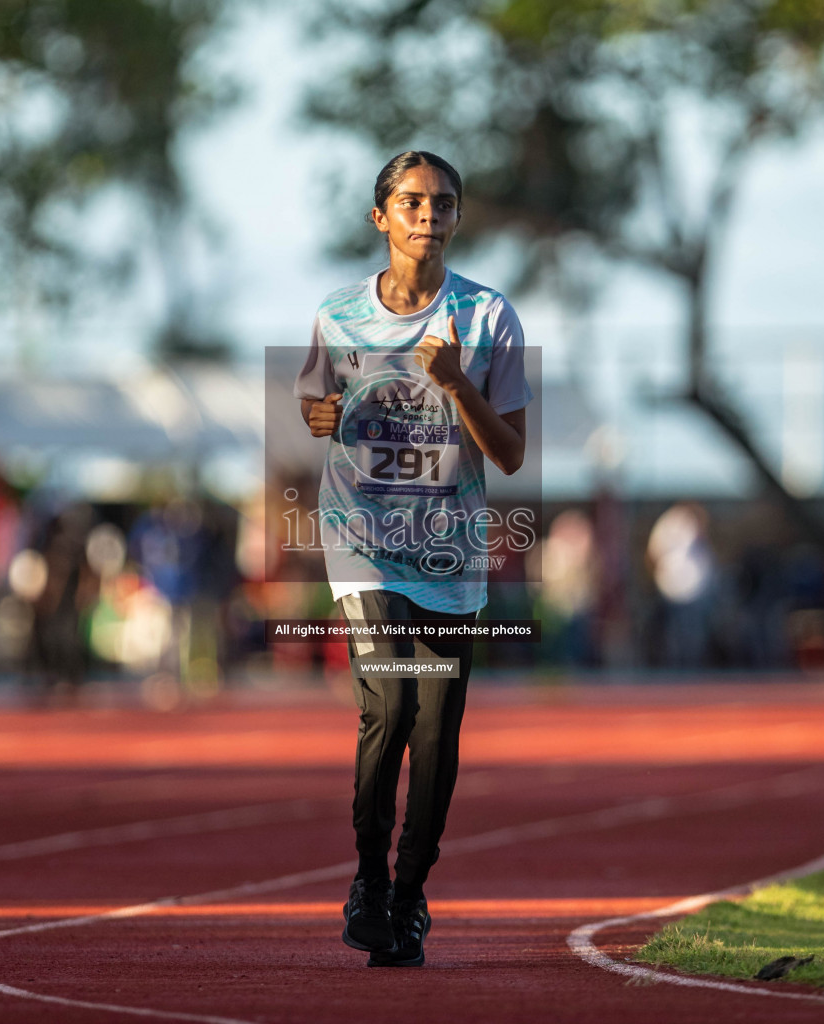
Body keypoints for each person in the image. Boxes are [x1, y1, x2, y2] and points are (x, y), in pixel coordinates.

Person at [294, 151, 532, 967]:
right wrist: (320, 416)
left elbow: (510, 458)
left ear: (458, 219)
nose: (428, 214)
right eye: (411, 201)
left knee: (435, 735)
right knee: (390, 705)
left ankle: (408, 894)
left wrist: (460, 384)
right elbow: (313, 398)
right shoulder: (337, 314)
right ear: (380, 217)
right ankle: (366, 879)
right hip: (361, 539)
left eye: (443, 203)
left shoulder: (489, 318)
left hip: (448, 553)